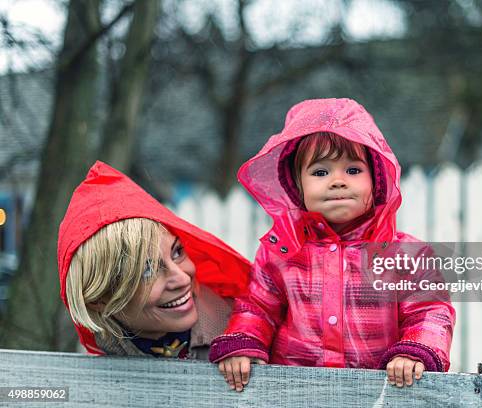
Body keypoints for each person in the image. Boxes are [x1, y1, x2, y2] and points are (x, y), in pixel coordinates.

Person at [209, 98, 455, 391]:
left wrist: (412, 350)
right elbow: (258, 307)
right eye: (320, 172)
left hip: (380, 390)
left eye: (353, 170)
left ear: (376, 179)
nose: (337, 181)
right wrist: (246, 343)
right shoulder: (281, 251)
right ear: (296, 185)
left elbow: (429, 311)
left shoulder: (406, 254)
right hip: (295, 390)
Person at [58, 161, 250, 358]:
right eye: (146, 270)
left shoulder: (249, 337)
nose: (183, 278)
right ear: (99, 300)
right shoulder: (101, 363)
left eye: (177, 252)